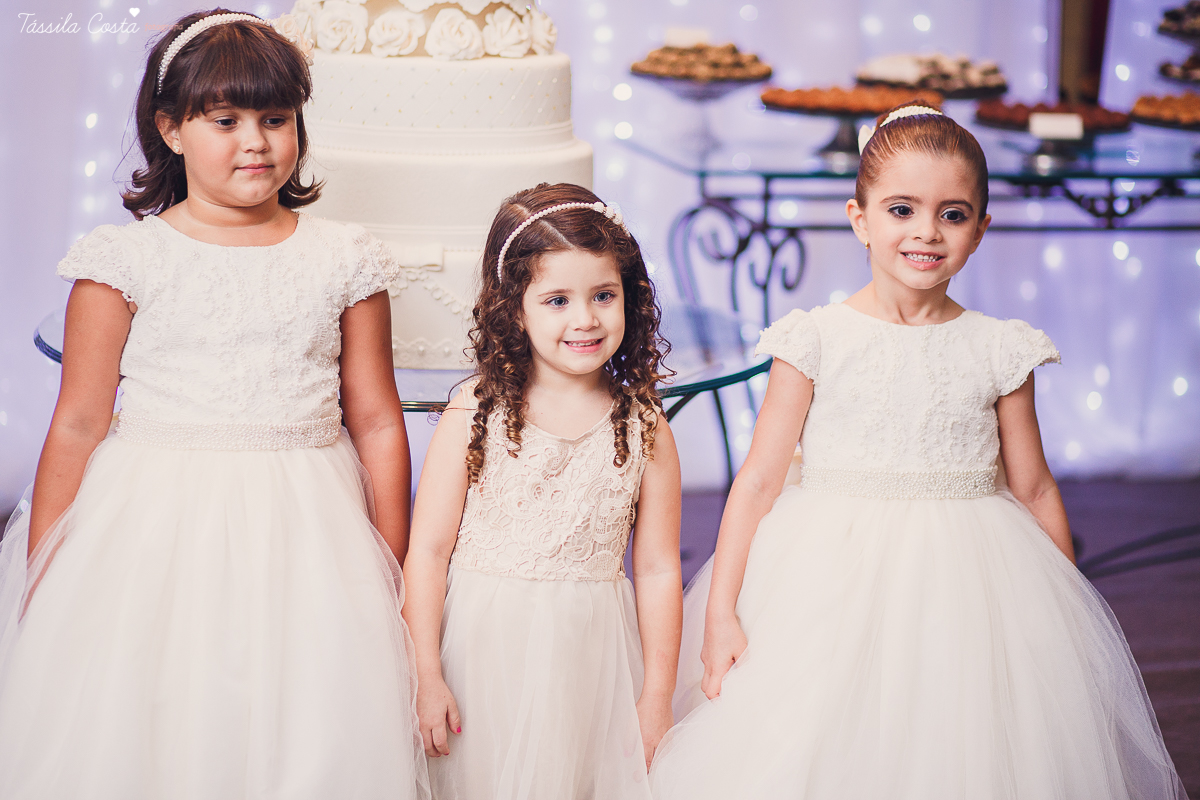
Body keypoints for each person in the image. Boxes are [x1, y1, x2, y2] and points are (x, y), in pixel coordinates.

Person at [649, 104, 1186, 800]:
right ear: (859, 217)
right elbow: (755, 483)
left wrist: (1068, 623)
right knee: (818, 735)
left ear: (981, 230)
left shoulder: (999, 348)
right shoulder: (815, 339)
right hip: (825, 573)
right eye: (901, 209)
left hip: (972, 577)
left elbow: (1035, 488)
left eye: (953, 214)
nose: (926, 232)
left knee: (963, 740)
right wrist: (721, 613)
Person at [0, 10, 428, 799]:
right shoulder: (124, 259)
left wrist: (391, 563)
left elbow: (374, 417)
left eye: (276, 119)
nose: (256, 143)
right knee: (161, 705)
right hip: (156, 521)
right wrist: (44, 572)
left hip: (310, 522)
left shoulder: (344, 256)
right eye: (225, 121)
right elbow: (80, 422)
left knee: (307, 711)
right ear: (170, 129)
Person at [401, 183, 683, 800]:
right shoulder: (476, 410)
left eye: (604, 296)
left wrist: (656, 695)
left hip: (594, 666)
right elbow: (427, 551)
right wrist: (426, 671)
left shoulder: (644, 426)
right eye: (557, 299)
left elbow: (660, 568)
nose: (586, 319)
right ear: (514, 308)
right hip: (482, 660)